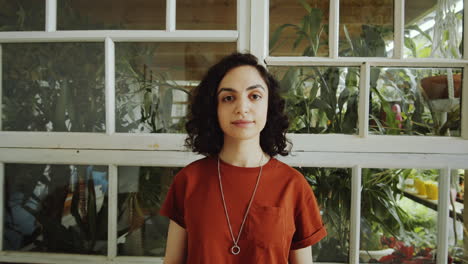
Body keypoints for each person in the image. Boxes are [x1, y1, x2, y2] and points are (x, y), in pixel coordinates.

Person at [160, 52, 326, 264]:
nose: (242, 108)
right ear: (215, 109)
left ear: (269, 106)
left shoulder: (294, 186)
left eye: (254, 96)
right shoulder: (189, 180)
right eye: (228, 98)